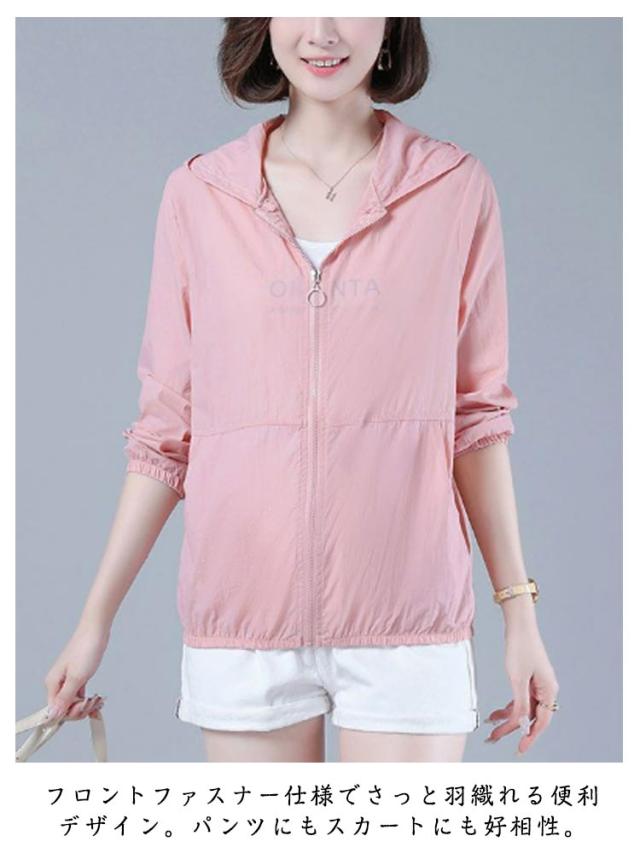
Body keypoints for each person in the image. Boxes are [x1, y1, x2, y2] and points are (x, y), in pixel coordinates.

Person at [43, 17, 559, 763]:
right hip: (243, 620)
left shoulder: (451, 188)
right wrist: (95, 622)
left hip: (407, 619)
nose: (322, 30)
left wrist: (519, 614)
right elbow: (165, 433)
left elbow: (475, 417)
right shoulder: (200, 194)